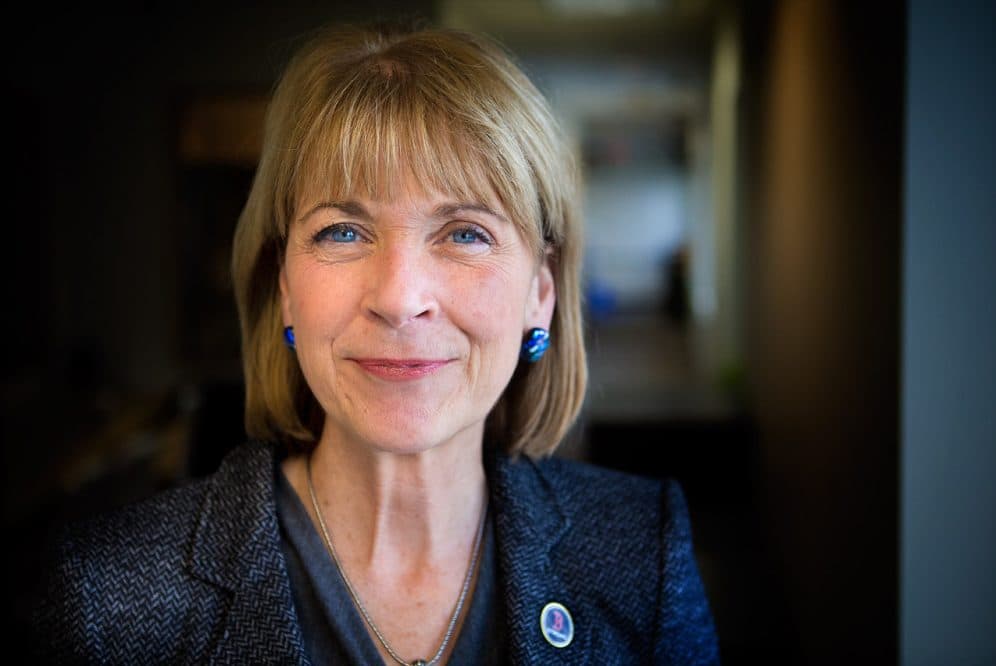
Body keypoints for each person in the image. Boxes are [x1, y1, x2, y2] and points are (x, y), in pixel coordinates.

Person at [33, 21, 719, 664]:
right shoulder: (107, 599)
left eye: (465, 233)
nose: (397, 297)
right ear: (285, 289)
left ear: (540, 294)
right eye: (343, 232)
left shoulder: (641, 551)